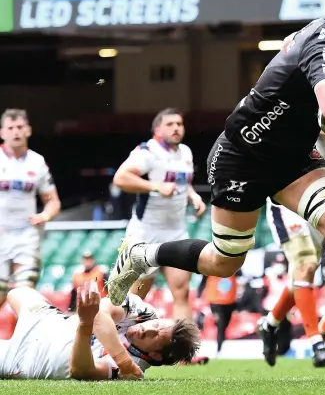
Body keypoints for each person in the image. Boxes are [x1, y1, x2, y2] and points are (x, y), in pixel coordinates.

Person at [107, 0, 325, 376]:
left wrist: (317, 115)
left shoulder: (321, 36)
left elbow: (309, 86)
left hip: (291, 158)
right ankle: (142, 254)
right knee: (224, 262)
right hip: (241, 157)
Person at [259, 133, 325, 368]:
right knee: (305, 265)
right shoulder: (275, 108)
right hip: (285, 197)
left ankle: (269, 324)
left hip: (318, 198)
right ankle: (316, 345)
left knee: (301, 278)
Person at [113, 107, 206, 321]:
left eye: (179, 124)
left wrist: (193, 196)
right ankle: (124, 348)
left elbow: (184, 183)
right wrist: (156, 186)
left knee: (182, 294)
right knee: (134, 299)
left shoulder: (186, 152)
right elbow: (120, 178)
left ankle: (185, 353)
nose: (176, 128)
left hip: (176, 232)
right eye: (170, 124)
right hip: (145, 233)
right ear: (157, 129)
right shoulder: (147, 151)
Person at [0, 282, 201, 380]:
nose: (148, 328)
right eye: (157, 325)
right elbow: (99, 312)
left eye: (155, 336)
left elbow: (81, 370)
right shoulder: (146, 314)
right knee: (18, 293)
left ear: (156, 355)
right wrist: (123, 359)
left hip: (25, 360)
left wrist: (85, 327)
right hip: (49, 322)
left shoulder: (134, 371)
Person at [0, 109, 61, 308]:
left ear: (28, 130)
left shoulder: (38, 162)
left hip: (26, 236)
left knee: (24, 296)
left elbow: (53, 201)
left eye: (20, 127)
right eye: (10, 128)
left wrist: (45, 215)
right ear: (2, 133)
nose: (15, 132)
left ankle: (23, 339)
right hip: (1, 232)